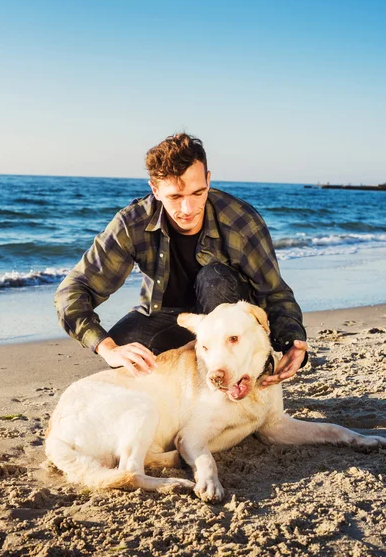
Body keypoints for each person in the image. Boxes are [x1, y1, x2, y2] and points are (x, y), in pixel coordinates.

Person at [54, 133, 308, 387]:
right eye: (175, 197)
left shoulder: (240, 220)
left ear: (208, 180)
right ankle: (185, 383)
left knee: (214, 278)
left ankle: (245, 373)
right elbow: (73, 291)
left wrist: (291, 342)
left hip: (229, 329)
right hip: (169, 319)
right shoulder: (132, 223)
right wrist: (106, 347)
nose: (188, 209)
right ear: (155, 190)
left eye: (198, 192)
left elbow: (274, 292)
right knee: (123, 344)